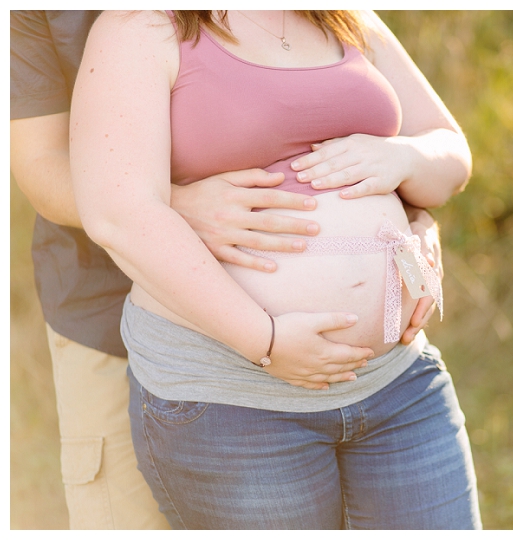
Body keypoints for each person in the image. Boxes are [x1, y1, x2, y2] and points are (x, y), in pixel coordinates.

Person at [10, 9, 441, 529]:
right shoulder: (109, 24)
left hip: (389, 378)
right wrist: (174, 205)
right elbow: (53, 170)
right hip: (144, 328)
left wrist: (407, 211)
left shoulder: (329, 18)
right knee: (125, 517)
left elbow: (417, 141)